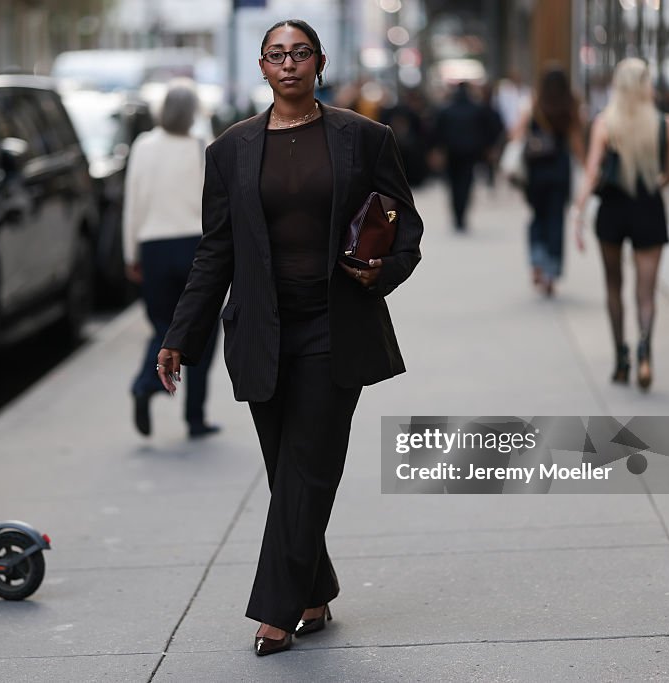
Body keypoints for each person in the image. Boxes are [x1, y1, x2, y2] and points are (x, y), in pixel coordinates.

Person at [155, 19, 424, 656]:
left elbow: (405, 227)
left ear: (319, 62)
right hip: (261, 332)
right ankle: (313, 589)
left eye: (300, 53)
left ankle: (276, 611)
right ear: (262, 66)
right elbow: (214, 252)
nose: (289, 64)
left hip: (337, 328)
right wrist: (180, 336)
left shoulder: (364, 138)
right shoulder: (230, 151)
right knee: (288, 473)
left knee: (307, 467)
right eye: (277, 55)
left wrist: (380, 270)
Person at [573, 58, 669, 390]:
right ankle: (645, 351)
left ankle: (621, 358)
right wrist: (650, 185)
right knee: (646, 293)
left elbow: (592, 173)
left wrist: (578, 214)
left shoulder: (604, 123)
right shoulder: (666, 124)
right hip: (648, 206)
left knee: (613, 286)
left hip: (613, 210)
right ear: (647, 85)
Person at [123, 80, 220, 438]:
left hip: (154, 248)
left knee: (163, 325)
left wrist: (131, 253)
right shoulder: (201, 147)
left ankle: (146, 384)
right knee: (204, 331)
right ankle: (195, 417)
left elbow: (133, 203)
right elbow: (214, 205)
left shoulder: (143, 147)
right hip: (196, 247)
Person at [514, 67, 584, 296]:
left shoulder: (534, 104)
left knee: (537, 217)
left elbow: (517, 133)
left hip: (536, 171)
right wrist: (585, 164)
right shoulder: (570, 107)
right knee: (556, 219)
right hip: (560, 171)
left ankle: (537, 262)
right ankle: (551, 274)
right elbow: (575, 141)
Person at [435, 81, 487, 231]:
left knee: (453, 186)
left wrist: (438, 150)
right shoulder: (476, 110)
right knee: (466, 184)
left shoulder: (446, 110)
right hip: (470, 153)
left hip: (451, 153)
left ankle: (457, 215)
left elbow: (437, 132)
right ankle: (462, 215)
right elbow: (487, 129)